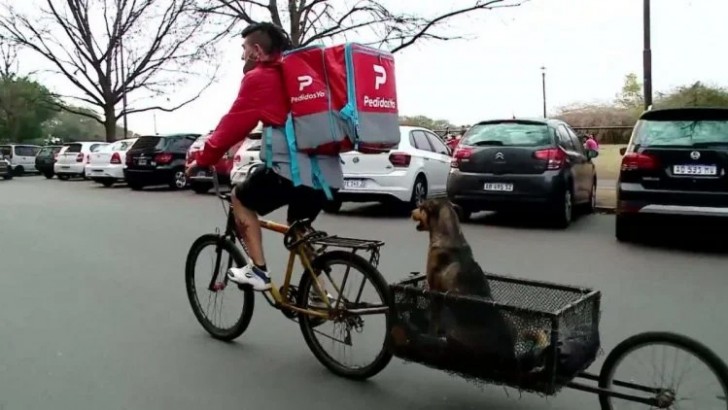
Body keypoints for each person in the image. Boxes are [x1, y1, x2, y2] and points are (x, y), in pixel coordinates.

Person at [186, 22, 343, 291]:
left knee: (240, 198)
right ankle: (322, 294)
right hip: (327, 175)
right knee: (298, 229)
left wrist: (203, 159)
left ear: (257, 50)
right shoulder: (305, 75)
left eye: (244, 49)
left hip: (291, 173)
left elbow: (232, 125)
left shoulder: (260, 78)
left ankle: (258, 271)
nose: (242, 56)